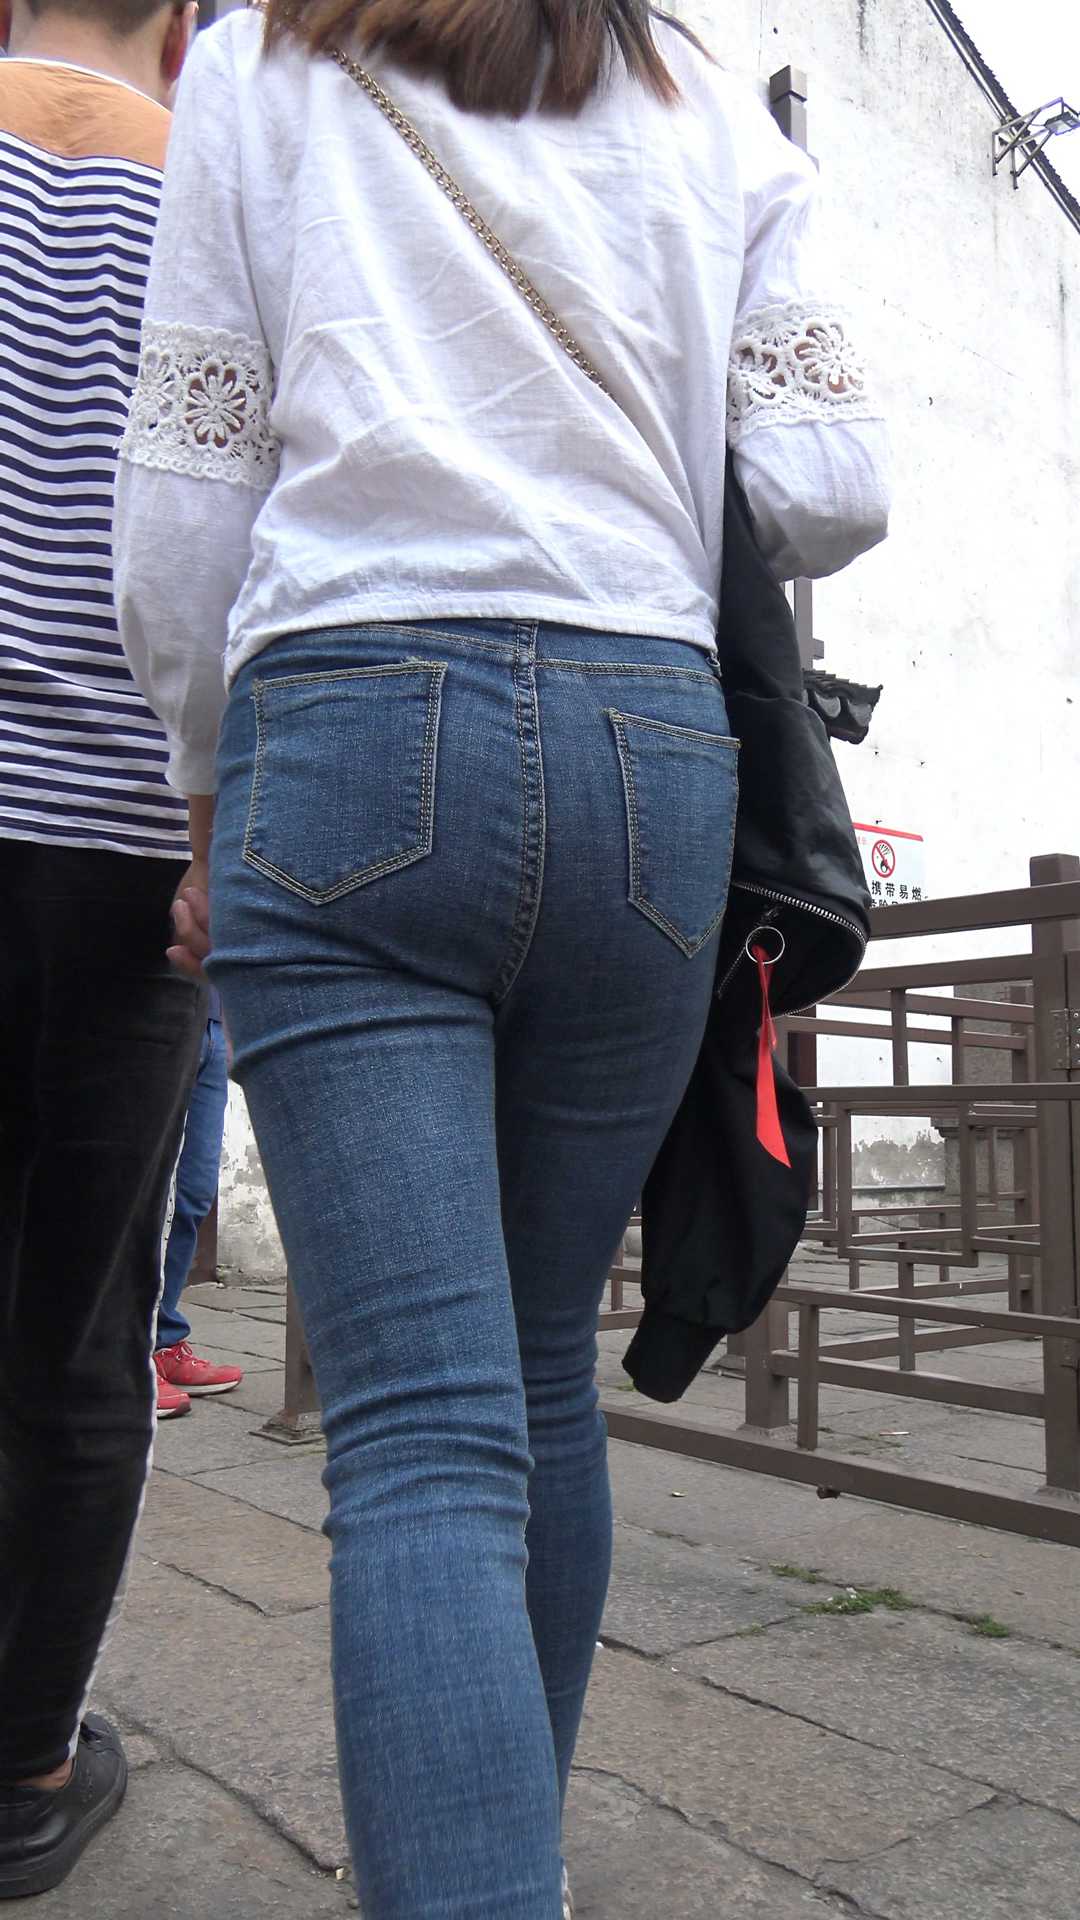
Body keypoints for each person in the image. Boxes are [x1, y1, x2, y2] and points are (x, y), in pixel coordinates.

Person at [112, 0, 890, 1910]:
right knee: (541, 1374)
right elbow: (831, 482)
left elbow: (188, 504)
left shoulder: (259, 65)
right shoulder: (704, 99)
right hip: (650, 756)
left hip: (349, 717)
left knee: (419, 1433)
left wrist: (205, 791)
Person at [0, 0, 199, 1898]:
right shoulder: (216, 188)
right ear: (187, 21)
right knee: (77, 1324)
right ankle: (24, 1772)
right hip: (129, 838)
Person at [154, 987, 244, 1417]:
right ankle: (122, 1353)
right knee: (149, 1195)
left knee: (193, 1194)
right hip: (163, 1010)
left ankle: (163, 1340)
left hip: (212, 1022)